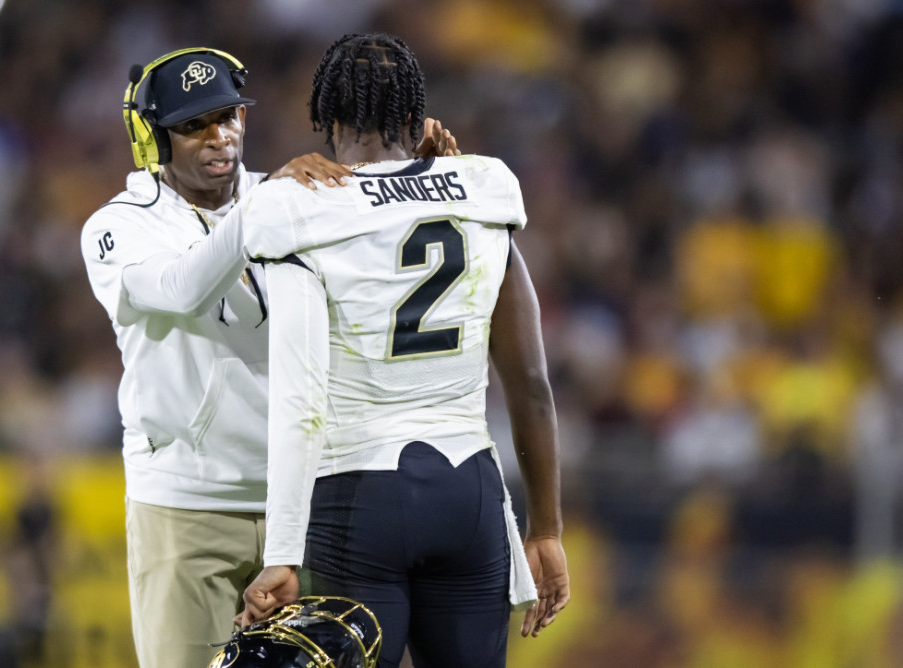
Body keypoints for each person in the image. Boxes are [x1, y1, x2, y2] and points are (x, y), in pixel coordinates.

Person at [78, 46, 459, 668]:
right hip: (186, 503)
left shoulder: (287, 195)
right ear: (152, 139)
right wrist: (270, 203)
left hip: (305, 503)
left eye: (227, 116)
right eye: (192, 125)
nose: (219, 137)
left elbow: (387, 255)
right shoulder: (117, 225)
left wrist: (415, 174)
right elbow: (180, 288)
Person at [235, 34, 571, 668]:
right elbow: (531, 381)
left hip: (357, 495)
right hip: (469, 492)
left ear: (328, 118)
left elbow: (301, 400)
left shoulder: (293, 204)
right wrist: (547, 529)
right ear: (417, 117)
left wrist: (281, 552)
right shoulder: (484, 185)